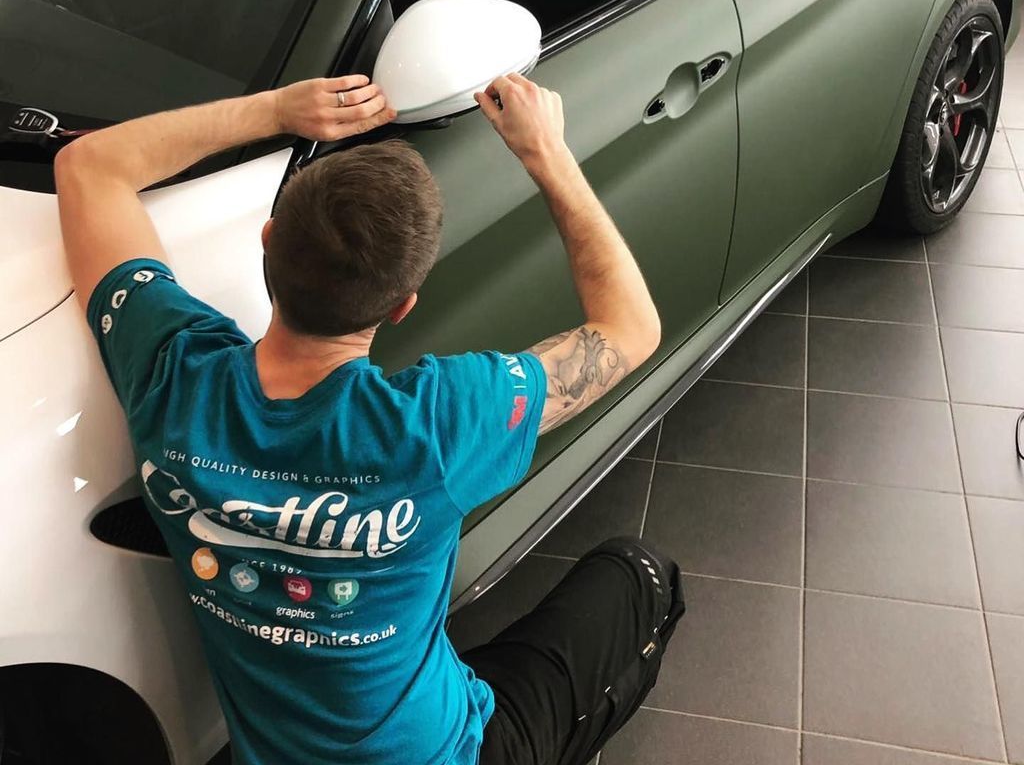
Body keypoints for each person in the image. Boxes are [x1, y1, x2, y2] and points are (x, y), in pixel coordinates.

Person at [55, 70, 685, 765]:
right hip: (447, 753)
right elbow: (630, 329)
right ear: (402, 306)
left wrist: (278, 109)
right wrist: (547, 153)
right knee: (640, 574)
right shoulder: (441, 420)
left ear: (268, 240)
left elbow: (89, 165)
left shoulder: (170, 372)